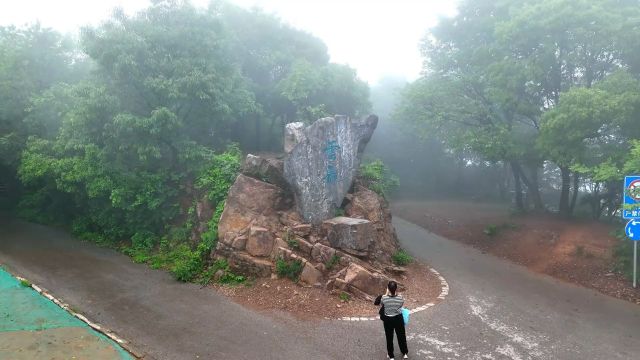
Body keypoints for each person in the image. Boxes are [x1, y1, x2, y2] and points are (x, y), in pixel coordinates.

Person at [374, 281, 408, 359]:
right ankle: (404, 353)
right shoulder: (400, 297)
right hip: (398, 318)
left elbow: (377, 303)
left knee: (389, 337)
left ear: (388, 288)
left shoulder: (383, 298)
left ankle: (391, 355)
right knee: (401, 336)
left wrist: (386, 294)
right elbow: (401, 305)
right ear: (396, 289)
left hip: (388, 320)